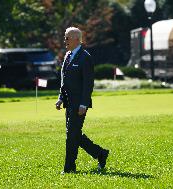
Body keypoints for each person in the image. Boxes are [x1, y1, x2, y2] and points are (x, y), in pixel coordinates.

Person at [55, 27, 109, 174]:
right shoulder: (67, 55)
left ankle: (69, 168)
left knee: (71, 135)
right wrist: (60, 98)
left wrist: (84, 104)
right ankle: (100, 153)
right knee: (74, 134)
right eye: (65, 37)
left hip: (80, 104)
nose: (64, 41)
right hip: (68, 103)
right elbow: (63, 80)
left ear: (76, 39)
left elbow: (88, 84)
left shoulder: (86, 57)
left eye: (67, 38)